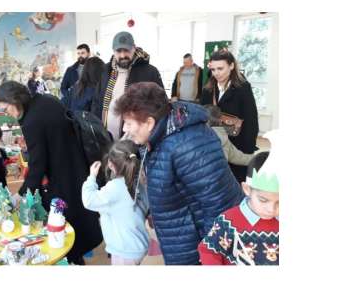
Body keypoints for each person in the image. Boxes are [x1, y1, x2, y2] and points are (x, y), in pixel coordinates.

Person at [114, 82, 243, 265]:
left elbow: (219, 206)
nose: (124, 129)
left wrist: (209, 253)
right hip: (181, 240)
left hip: (197, 249)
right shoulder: (159, 136)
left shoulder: (187, 146)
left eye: (128, 123)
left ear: (149, 123)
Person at [0, 81, 103, 264]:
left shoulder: (31, 121)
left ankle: (73, 259)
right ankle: (78, 256)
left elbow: (38, 165)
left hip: (60, 179)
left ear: (15, 100)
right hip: (76, 166)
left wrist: (21, 194)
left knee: (64, 225)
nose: (7, 114)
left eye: (6, 109)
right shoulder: (46, 100)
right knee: (80, 220)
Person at [198, 151, 278, 265]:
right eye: (263, 200)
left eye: (280, 202)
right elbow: (208, 251)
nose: (271, 209)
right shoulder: (228, 221)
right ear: (247, 190)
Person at [81, 140, 149, 265]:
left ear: (111, 165)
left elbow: (89, 200)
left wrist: (91, 177)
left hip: (124, 250)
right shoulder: (140, 181)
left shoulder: (114, 188)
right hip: (138, 243)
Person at [199, 50, 259, 182]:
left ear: (231, 66)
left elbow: (251, 119)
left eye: (220, 68)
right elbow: (202, 114)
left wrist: (248, 148)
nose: (216, 73)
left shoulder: (243, 87)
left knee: (235, 182)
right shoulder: (208, 87)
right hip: (214, 144)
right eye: (213, 69)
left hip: (237, 144)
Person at [91, 31, 163, 139]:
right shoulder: (106, 70)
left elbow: (160, 107)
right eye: (118, 51)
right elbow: (96, 102)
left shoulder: (150, 72)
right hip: (105, 138)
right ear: (113, 51)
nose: (123, 55)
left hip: (135, 140)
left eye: (126, 50)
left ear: (134, 48)